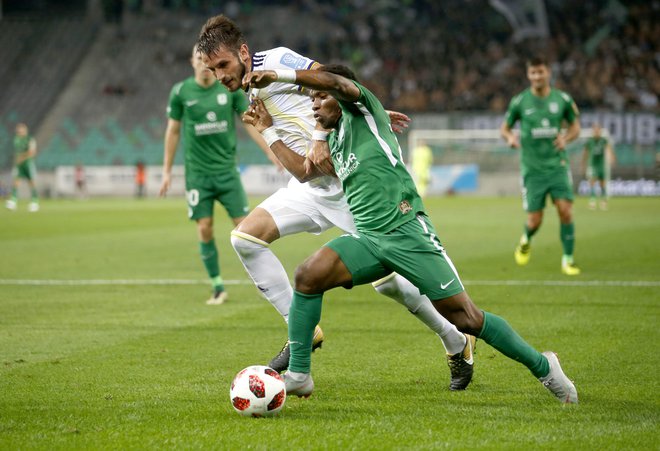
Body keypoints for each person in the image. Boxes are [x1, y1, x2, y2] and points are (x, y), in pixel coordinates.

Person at [241, 64, 578, 404]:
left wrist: (281, 76)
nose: (314, 106)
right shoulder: (336, 137)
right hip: (369, 239)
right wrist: (270, 131)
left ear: (342, 95)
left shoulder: (363, 112)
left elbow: (335, 81)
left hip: (407, 233)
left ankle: (544, 367)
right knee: (308, 276)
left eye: (321, 97)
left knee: (467, 318)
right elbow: (303, 171)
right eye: (312, 100)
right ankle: (299, 375)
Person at [197, 15, 476, 390]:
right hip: (311, 187)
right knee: (244, 238)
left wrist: (333, 129)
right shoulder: (249, 92)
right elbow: (301, 163)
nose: (220, 76)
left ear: (244, 52)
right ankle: (303, 331)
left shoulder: (276, 61)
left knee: (390, 283)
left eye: (224, 65)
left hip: (350, 187)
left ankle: (455, 340)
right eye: (213, 70)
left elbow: (328, 78)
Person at [159, 44, 279, 305]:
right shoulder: (180, 93)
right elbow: (173, 131)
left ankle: (267, 283)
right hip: (198, 176)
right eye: (199, 59)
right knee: (204, 228)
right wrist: (166, 171)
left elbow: (250, 123)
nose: (203, 64)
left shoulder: (228, 89)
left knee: (248, 230)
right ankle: (217, 286)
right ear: (192, 61)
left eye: (207, 60)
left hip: (227, 173)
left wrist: (271, 150)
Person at [499, 56, 582, 276]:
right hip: (532, 170)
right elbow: (505, 128)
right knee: (535, 220)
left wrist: (567, 139)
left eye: (540, 72)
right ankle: (526, 238)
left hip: (557, 165)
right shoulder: (520, 102)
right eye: (533, 73)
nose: (537, 76)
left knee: (565, 211)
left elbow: (575, 127)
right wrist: (509, 139)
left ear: (549, 73)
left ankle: (568, 260)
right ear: (528, 75)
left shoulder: (562, 99)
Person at [582, 123, 616, 210]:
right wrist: (583, 162)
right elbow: (585, 152)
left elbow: (608, 148)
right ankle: (592, 201)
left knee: (602, 183)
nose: (596, 132)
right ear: (593, 131)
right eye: (595, 130)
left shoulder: (604, 140)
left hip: (601, 165)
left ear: (600, 131)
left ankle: (603, 201)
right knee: (592, 182)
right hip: (592, 164)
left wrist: (612, 157)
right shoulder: (589, 141)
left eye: (598, 130)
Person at [6, 123, 39, 212]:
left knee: (31, 182)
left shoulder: (30, 139)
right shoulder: (16, 140)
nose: (19, 132)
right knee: (16, 182)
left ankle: (34, 201)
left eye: (21, 130)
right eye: (18, 131)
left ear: (25, 131)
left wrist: (22, 157)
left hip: (28, 164)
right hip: (19, 165)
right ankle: (13, 201)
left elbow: (32, 152)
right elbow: (17, 152)